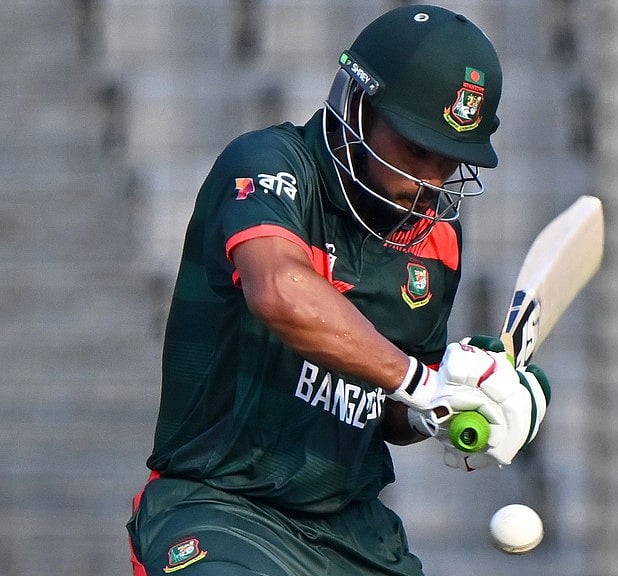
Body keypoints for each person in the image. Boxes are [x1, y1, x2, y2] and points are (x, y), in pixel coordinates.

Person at [126, 5, 550, 575]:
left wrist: (447, 407)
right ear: (358, 107)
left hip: (354, 535)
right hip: (220, 511)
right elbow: (278, 289)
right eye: (416, 149)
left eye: (449, 162)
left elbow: (393, 411)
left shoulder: (436, 241)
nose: (431, 182)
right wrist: (423, 383)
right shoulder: (271, 163)